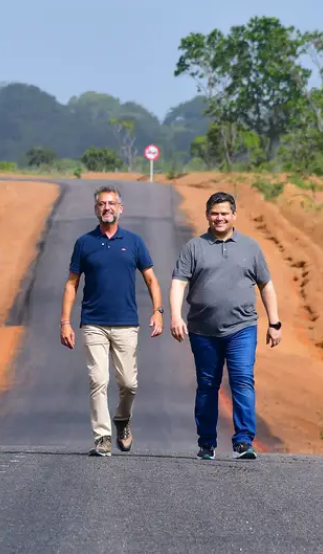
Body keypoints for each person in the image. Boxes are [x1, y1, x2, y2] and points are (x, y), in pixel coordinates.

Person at [169, 191, 281, 461]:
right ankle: (206, 443)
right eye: (214, 213)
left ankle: (243, 441)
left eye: (224, 213)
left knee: (242, 380)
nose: (219, 218)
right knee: (208, 384)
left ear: (234, 215)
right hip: (203, 330)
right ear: (208, 215)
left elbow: (266, 285)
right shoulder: (194, 247)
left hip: (242, 327)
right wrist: (175, 315)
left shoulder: (250, 247)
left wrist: (274, 322)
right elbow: (178, 283)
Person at [60, 185, 163, 457]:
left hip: (127, 323)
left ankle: (122, 419)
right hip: (93, 323)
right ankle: (102, 437)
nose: (107, 208)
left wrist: (158, 311)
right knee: (98, 379)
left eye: (111, 203)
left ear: (120, 208)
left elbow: (151, 279)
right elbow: (72, 284)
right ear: (96, 209)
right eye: (102, 204)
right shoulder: (84, 243)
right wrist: (65, 322)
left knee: (129, 383)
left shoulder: (134, 241)